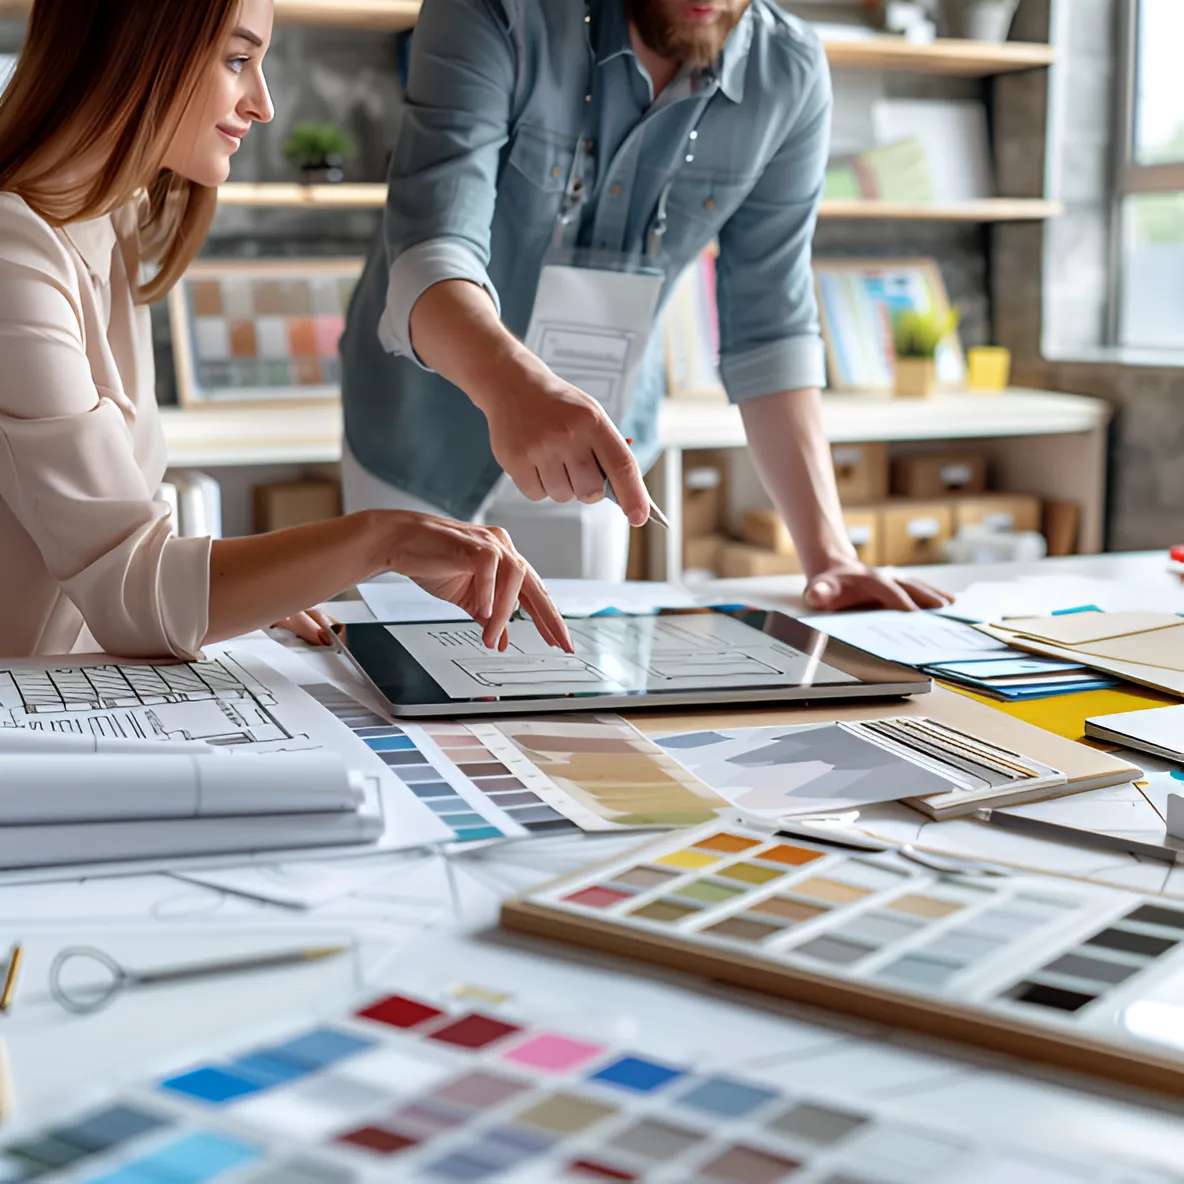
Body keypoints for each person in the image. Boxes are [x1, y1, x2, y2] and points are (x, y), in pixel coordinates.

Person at [0, 0, 571, 661]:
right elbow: (129, 589)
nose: (263, 104)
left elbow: (112, 543)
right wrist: (380, 542)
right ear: (134, 48)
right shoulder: (16, 255)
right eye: (238, 60)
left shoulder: (111, 219)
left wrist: (260, 581)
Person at [341, 0, 952, 611]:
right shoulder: (497, 11)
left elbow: (771, 325)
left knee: (571, 682)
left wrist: (830, 554)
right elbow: (429, 250)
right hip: (420, 428)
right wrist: (514, 388)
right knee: (412, 678)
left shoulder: (787, 72)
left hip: (601, 444)